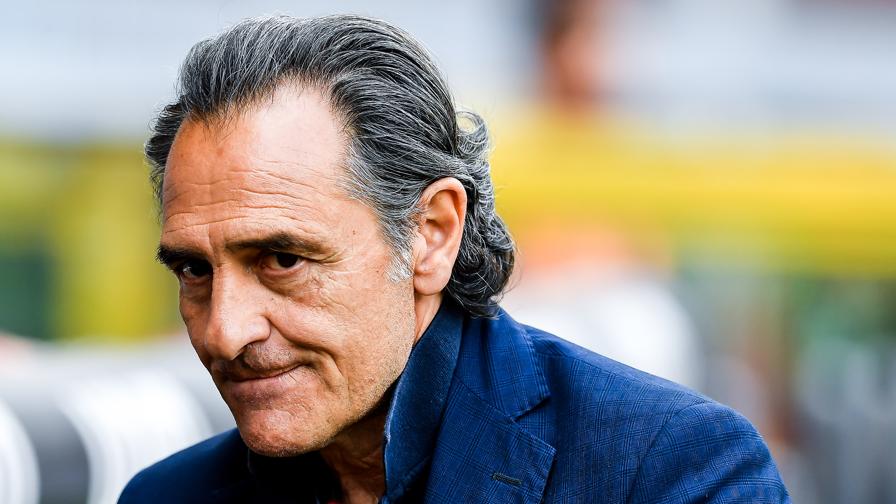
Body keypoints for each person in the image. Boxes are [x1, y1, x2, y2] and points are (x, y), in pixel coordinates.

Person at [119, 14, 789, 504]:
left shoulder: (669, 471)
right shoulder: (165, 496)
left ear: (433, 233)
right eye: (194, 270)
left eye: (283, 260)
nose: (225, 331)